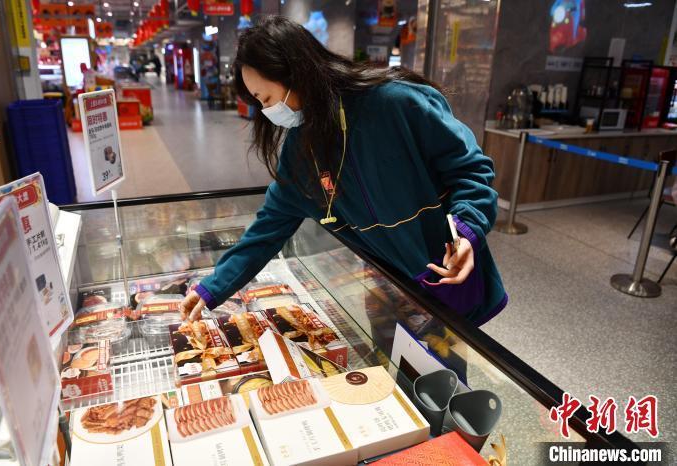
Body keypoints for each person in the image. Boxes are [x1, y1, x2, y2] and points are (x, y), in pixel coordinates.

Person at [180, 15, 507, 326]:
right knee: (393, 371)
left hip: (444, 269)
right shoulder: (301, 151)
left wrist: (467, 230)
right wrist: (213, 288)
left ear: (296, 74)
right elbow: (268, 228)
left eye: (267, 98)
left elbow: (471, 171)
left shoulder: (396, 102)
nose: (268, 112)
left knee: (444, 373)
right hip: (386, 287)